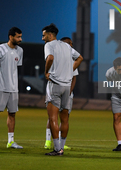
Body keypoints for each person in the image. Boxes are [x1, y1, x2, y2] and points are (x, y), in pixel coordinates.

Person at [42, 24, 83, 156]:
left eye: (44, 35)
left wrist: (46, 71)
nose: (42, 38)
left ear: (50, 34)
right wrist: (69, 70)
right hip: (67, 87)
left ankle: (56, 149)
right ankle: (62, 147)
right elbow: (80, 58)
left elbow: (50, 58)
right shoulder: (66, 46)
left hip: (55, 85)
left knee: (53, 118)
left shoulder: (49, 45)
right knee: (65, 119)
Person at [0, 27, 24, 149]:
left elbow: (15, 68)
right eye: (18, 37)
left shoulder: (20, 51)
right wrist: (1, 76)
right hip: (1, 88)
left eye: (20, 36)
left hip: (14, 89)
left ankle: (11, 141)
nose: (20, 39)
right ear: (10, 37)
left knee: (12, 114)